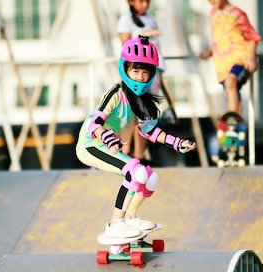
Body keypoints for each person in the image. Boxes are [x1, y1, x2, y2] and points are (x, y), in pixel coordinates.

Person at [76, 36, 196, 253]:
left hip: (106, 145)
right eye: (136, 71)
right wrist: (106, 137)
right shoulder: (116, 93)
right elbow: (95, 122)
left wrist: (177, 143)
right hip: (90, 144)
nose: (140, 77)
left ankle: (129, 219)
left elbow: (150, 131)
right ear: (125, 69)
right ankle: (116, 225)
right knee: (135, 172)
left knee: (150, 178)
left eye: (145, 72)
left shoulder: (143, 103)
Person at [117, 0, 166, 163]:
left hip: (151, 73)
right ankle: (125, 151)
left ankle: (140, 155)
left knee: (147, 115)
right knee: (130, 114)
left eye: (147, 1)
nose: (144, 4)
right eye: (140, 1)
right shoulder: (126, 19)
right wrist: (143, 36)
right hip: (135, 76)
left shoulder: (151, 18)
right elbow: (126, 46)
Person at [199, 0, 261, 116]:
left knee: (230, 81)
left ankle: (231, 120)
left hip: (240, 59)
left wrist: (251, 57)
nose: (211, 2)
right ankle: (236, 126)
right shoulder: (214, 13)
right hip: (222, 64)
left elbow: (253, 37)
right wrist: (210, 52)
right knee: (231, 91)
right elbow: (218, 38)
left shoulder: (237, 13)